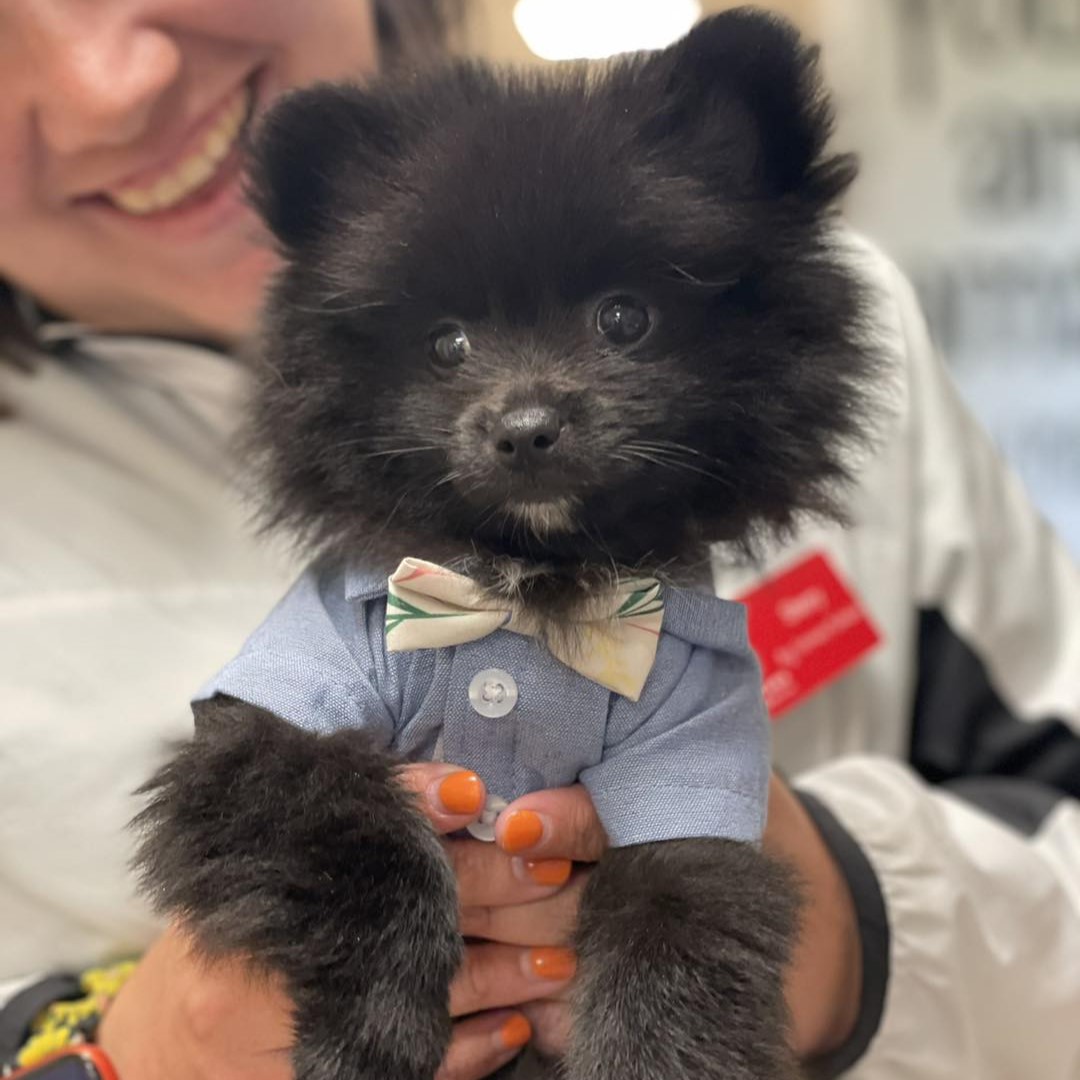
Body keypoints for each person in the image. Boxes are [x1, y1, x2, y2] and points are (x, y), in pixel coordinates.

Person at [0, 3, 1078, 1079]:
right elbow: (240, 779)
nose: (113, 83)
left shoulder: (833, 322)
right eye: (449, 345)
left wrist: (861, 926)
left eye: (621, 324)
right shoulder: (336, 623)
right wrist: (106, 1059)